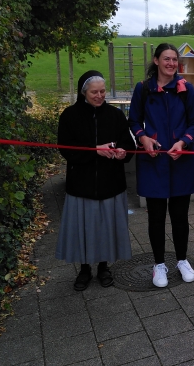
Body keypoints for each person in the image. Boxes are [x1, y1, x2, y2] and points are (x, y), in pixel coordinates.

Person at [128, 43, 194, 288]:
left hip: (181, 161)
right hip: (154, 163)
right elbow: (133, 120)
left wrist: (184, 142)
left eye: (174, 59)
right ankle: (159, 264)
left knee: (180, 217)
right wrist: (143, 138)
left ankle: (182, 260)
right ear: (156, 60)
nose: (171, 63)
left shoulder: (186, 89)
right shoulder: (143, 89)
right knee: (156, 218)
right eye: (166, 59)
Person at [56, 70, 135, 291]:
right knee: (83, 229)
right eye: (94, 92)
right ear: (84, 93)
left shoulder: (115, 115)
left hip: (111, 184)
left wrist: (123, 153)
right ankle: (84, 269)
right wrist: (94, 151)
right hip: (82, 185)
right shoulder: (70, 116)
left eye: (102, 91)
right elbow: (65, 149)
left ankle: (103, 267)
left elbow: (129, 145)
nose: (100, 96)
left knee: (105, 228)